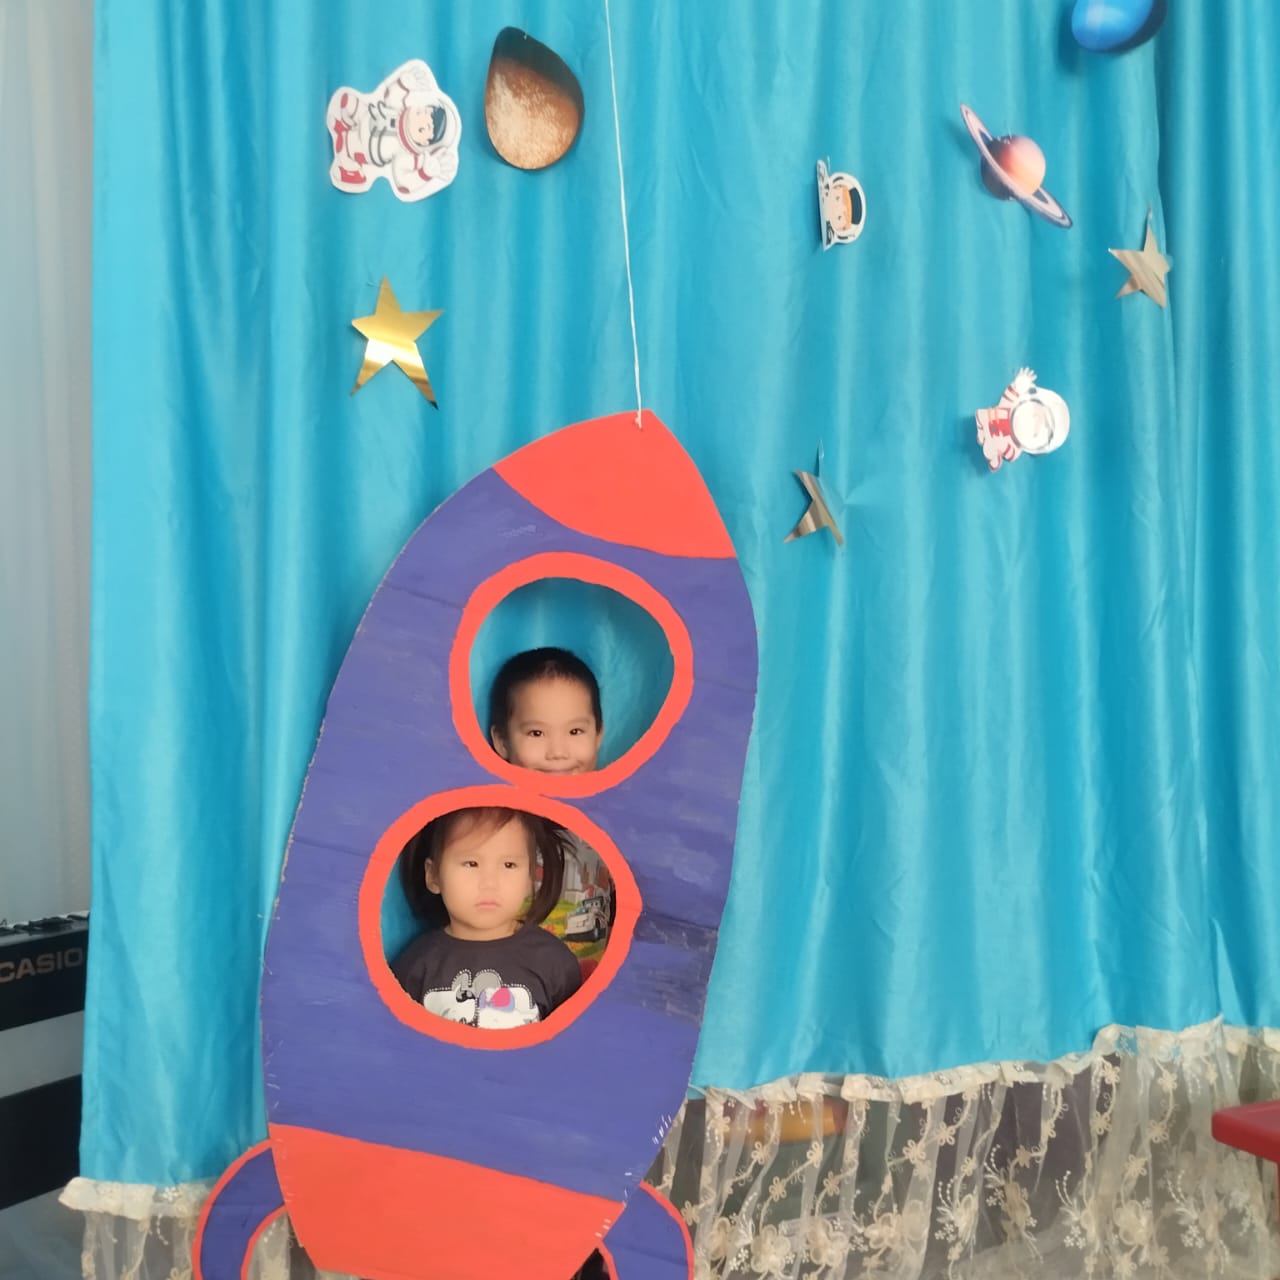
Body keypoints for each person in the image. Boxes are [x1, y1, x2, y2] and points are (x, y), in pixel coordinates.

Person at [392, 806, 581, 1028]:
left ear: (530, 876)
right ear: (433, 875)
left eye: (509, 865)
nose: (490, 883)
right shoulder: (415, 967)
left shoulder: (554, 961)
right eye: (471, 863)